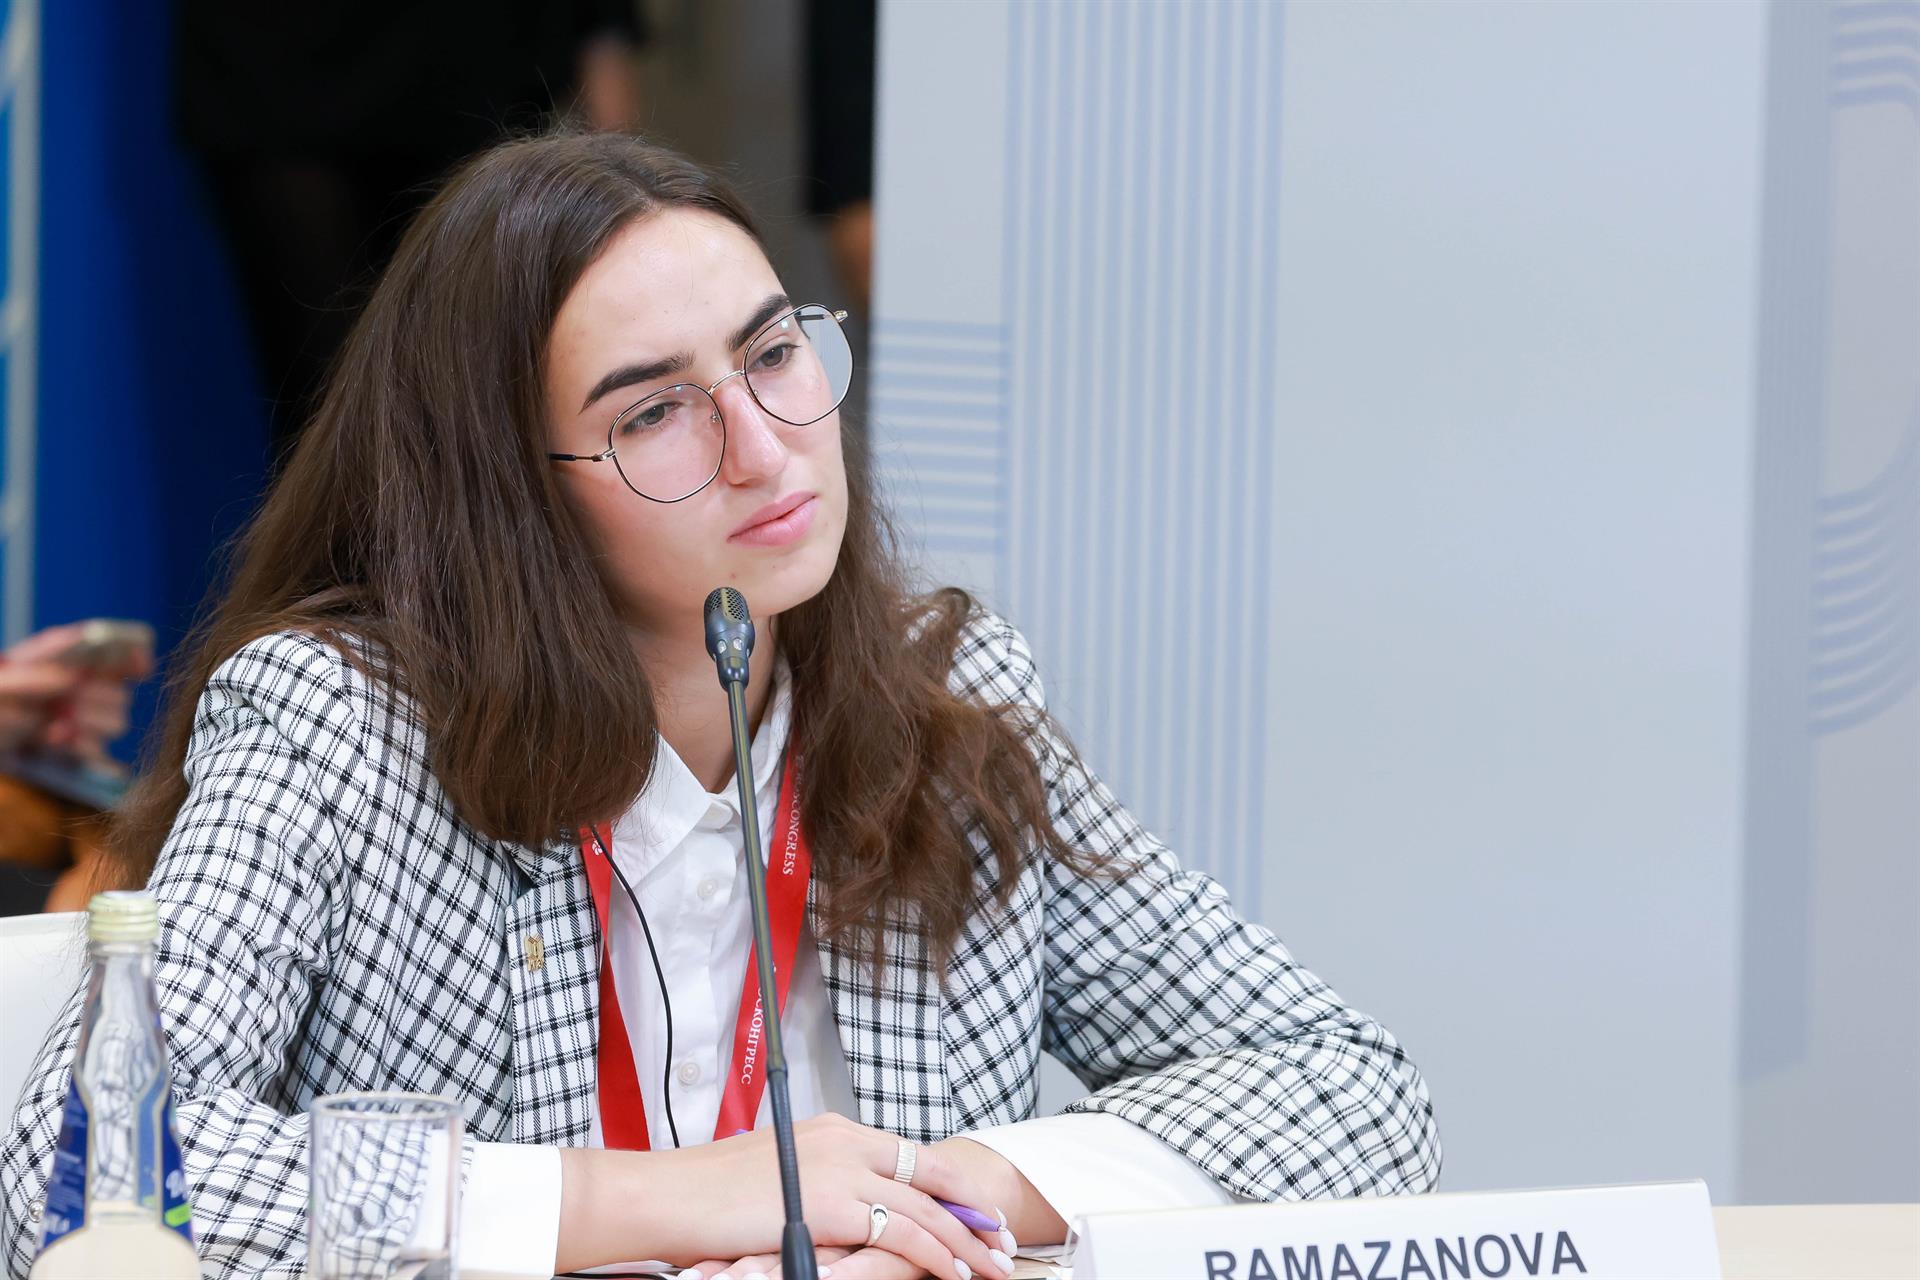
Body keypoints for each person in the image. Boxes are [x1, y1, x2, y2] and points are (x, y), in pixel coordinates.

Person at [1, 130, 1440, 1280]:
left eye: (772, 355)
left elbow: (1345, 1084)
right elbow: (92, 1175)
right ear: (510, 495)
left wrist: (939, 1199)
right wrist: (648, 1202)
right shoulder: (342, 729)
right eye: (653, 413)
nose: (764, 446)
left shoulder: (942, 704)